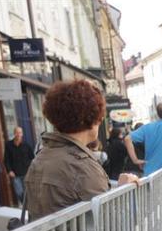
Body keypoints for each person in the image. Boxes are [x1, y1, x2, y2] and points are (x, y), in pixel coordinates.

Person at [25, 79, 138, 222]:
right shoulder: (81, 166)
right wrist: (124, 190)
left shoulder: (41, 156)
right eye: (99, 117)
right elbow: (113, 223)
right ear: (91, 119)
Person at [4, 126, 35, 204]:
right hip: (15, 173)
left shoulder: (27, 145)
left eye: (20, 132)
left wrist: (32, 170)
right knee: (19, 192)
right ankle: (25, 204)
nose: (18, 134)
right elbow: (6, 159)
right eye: (17, 132)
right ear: (14, 134)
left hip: (26, 172)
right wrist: (9, 171)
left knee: (26, 191)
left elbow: (33, 158)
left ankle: (27, 205)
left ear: (22, 134)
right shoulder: (8, 145)